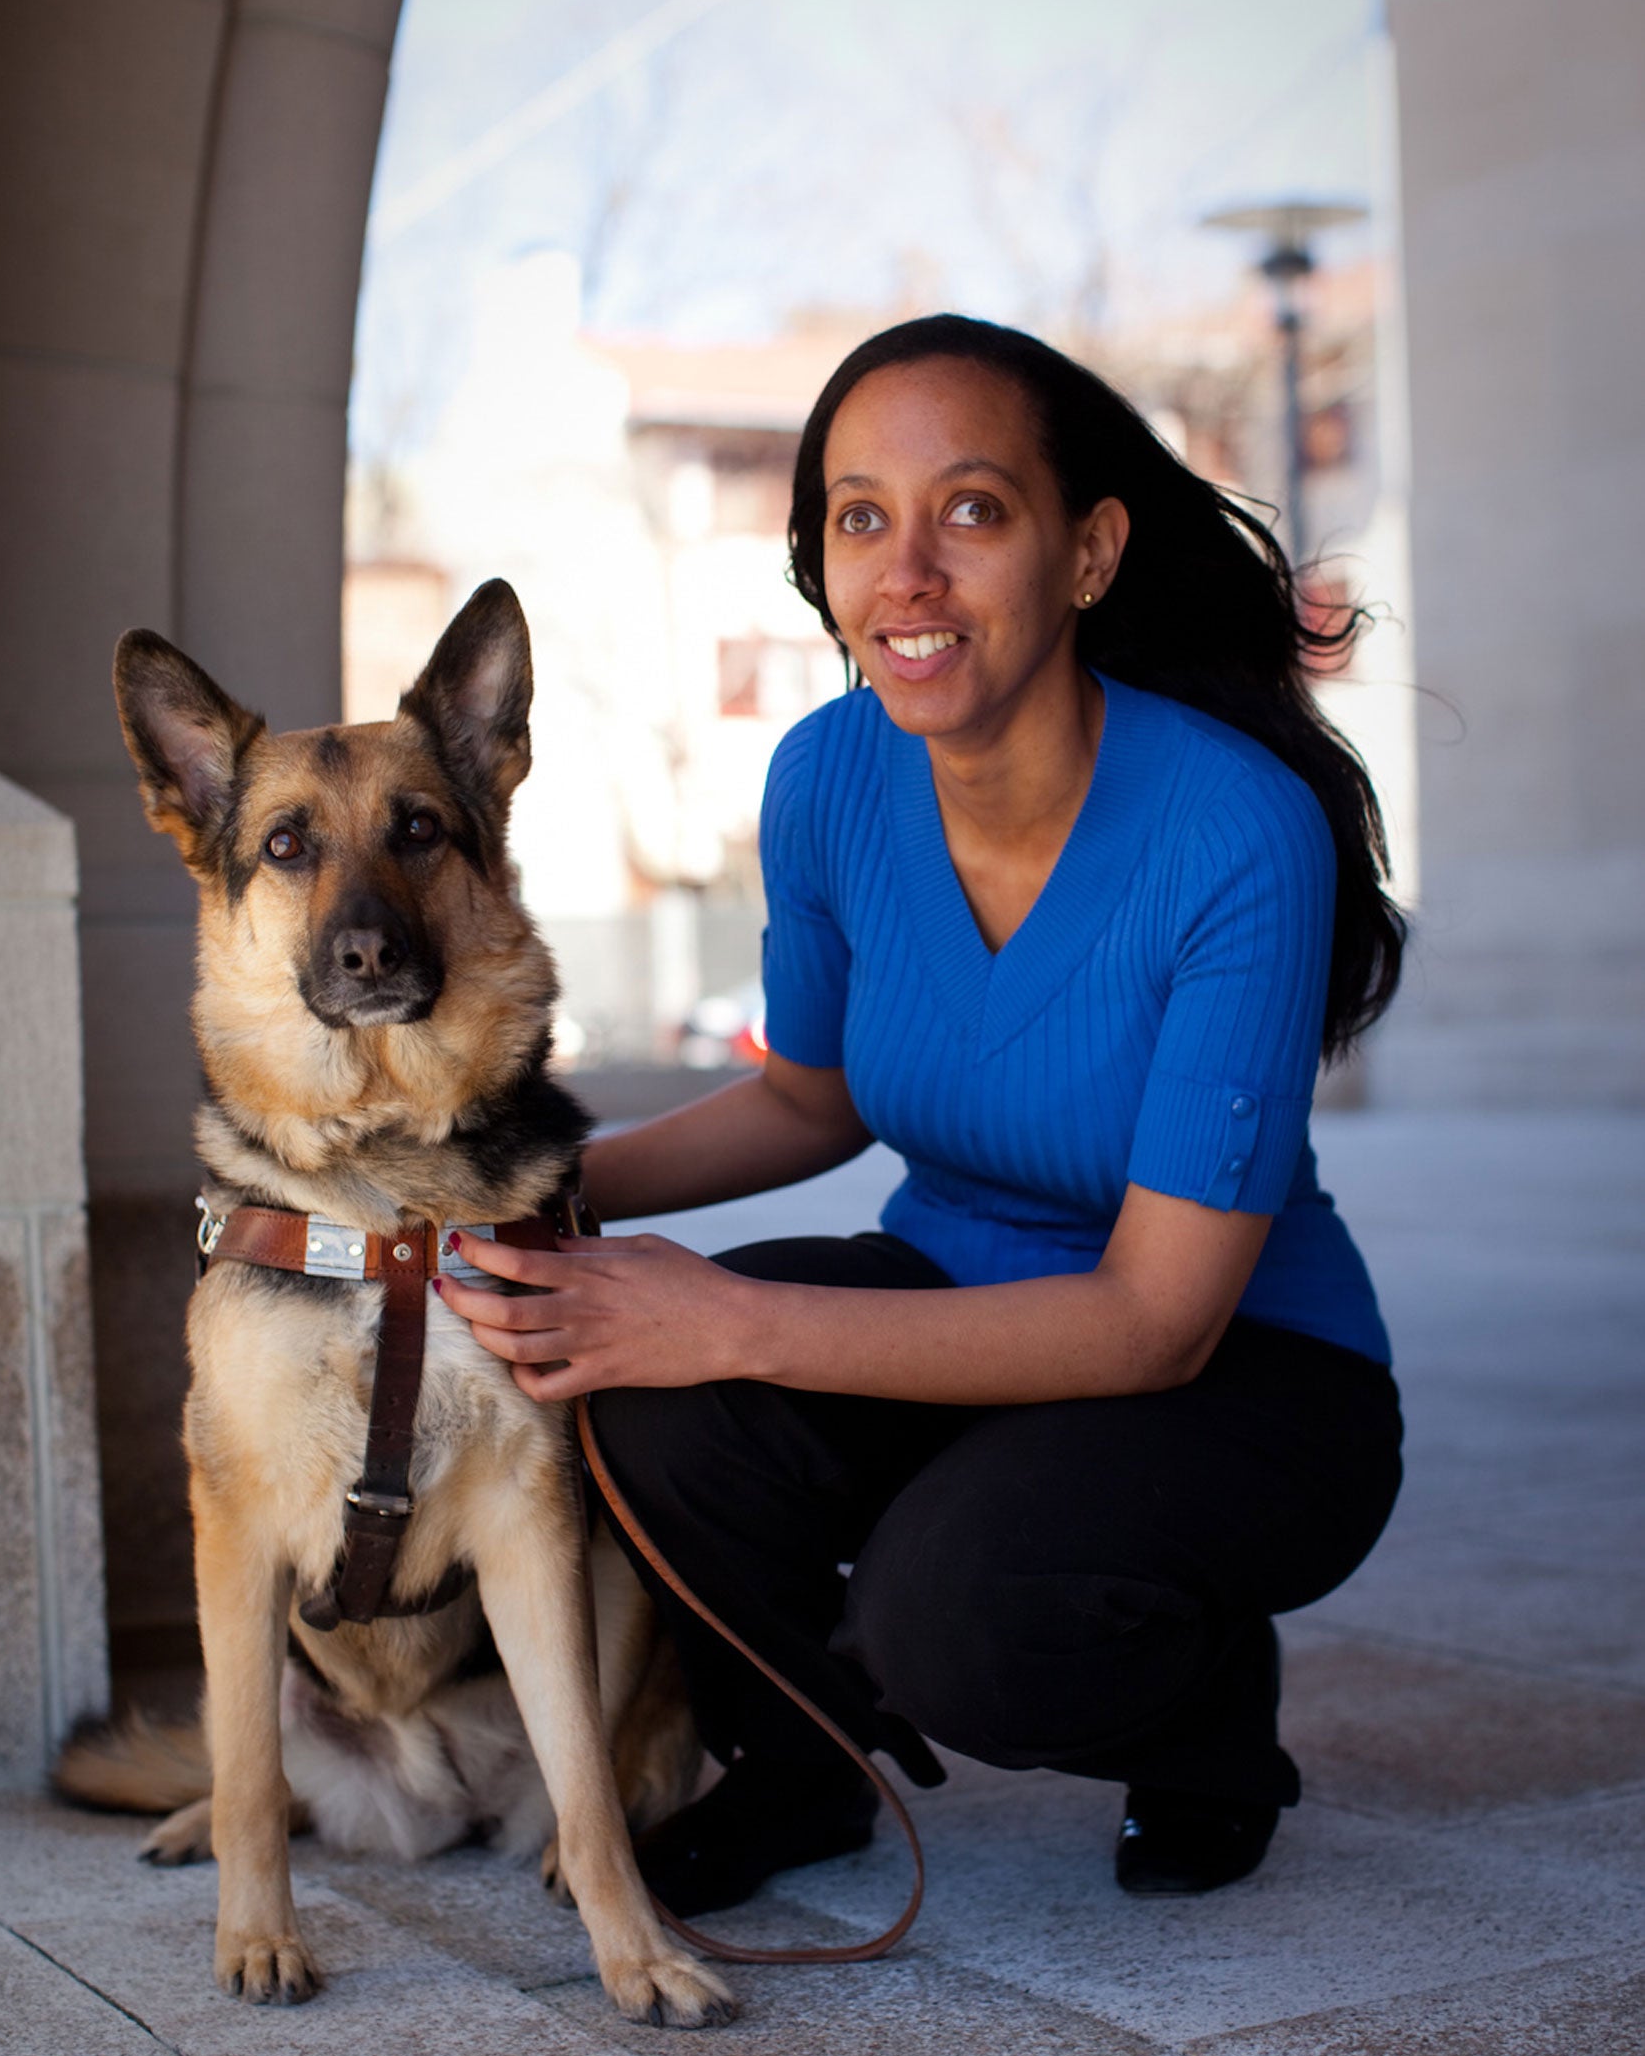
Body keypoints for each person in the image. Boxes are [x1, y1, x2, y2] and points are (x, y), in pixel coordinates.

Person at [436, 313, 1406, 1914]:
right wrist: (546, 1191)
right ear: (818, 565)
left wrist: (728, 1311)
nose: (909, 572)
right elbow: (810, 1098)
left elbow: (1153, 1324)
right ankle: (804, 1767)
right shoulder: (824, 781)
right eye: (860, 518)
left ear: (1087, 550)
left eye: (972, 510)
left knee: (953, 1617)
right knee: (628, 1391)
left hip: (1247, 1374)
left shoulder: (1238, 830)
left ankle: (1210, 1714)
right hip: (965, 1299)